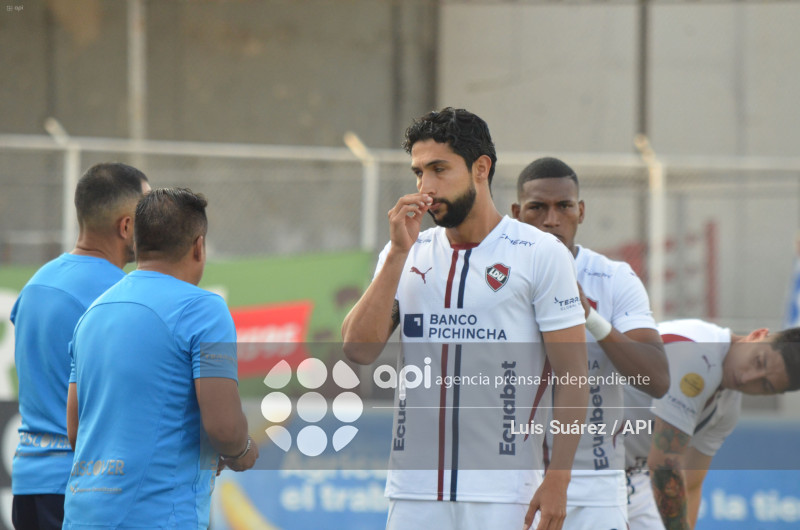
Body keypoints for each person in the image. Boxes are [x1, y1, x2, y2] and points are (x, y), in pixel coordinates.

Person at [342, 108, 589, 530]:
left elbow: (573, 377)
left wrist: (558, 479)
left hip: (505, 494)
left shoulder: (539, 254)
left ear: (481, 168)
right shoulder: (407, 253)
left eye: (439, 169)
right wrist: (398, 254)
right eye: (419, 173)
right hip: (414, 492)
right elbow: (358, 350)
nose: (426, 187)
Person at [63, 188, 258, 528]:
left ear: (136, 243)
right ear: (199, 246)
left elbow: (76, 428)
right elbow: (224, 427)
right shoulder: (204, 309)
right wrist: (242, 451)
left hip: (82, 515)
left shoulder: (92, 313)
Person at [511, 156, 669, 530]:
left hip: (595, 484)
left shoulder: (613, 279)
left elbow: (657, 379)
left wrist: (592, 319)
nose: (551, 220)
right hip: (512, 481)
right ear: (517, 213)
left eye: (563, 206)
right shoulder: (496, 277)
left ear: (580, 211)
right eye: (537, 207)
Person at [10, 162, 150, 529]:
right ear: (126, 226)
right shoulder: (118, 295)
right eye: (149, 214)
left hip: (28, 484)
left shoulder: (36, 283)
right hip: (84, 489)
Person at [623, 318, 800, 529]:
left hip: (625, 474)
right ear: (757, 335)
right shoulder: (699, 353)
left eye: (765, 384)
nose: (747, 378)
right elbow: (663, 466)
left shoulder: (728, 407)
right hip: (584, 452)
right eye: (759, 362)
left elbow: (690, 485)